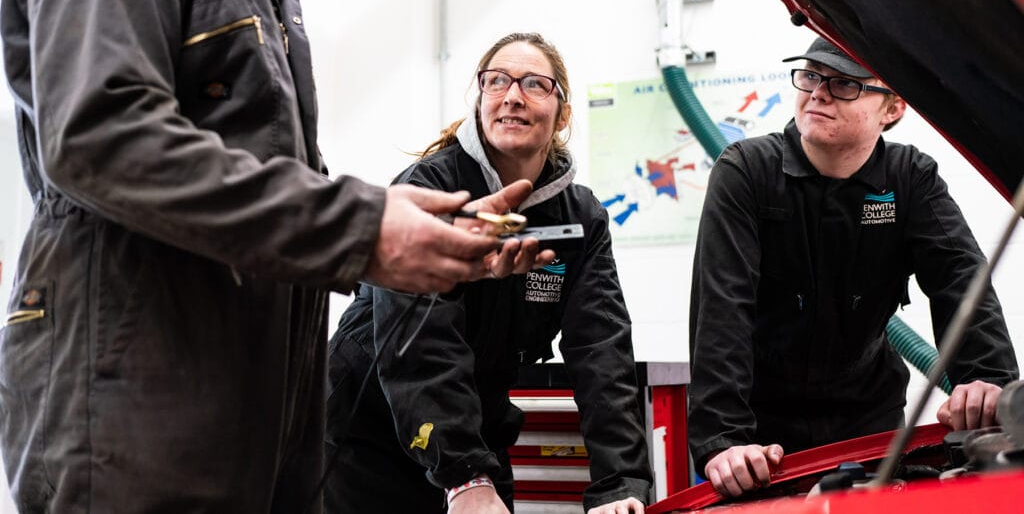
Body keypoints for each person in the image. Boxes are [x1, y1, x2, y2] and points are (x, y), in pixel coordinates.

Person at [0, 0, 550, 511]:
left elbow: (256, 197)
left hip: (251, 435)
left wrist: (407, 236)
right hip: (134, 432)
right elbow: (99, 135)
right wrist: (361, 228)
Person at [323, 32, 652, 513]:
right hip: (368, 438)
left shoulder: (581, 218)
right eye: (497, 81)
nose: (513, 96)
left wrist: (619, 484)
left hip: (475, 436)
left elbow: (602, 351)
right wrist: (465, 477)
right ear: (480, 100)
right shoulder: (432, 190)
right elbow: (421, 341)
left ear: (561, 114)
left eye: (535, 84)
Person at [688, 37, 1019, 498]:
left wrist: (989, 380)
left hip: (867, 419)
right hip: (760, 434)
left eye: (844, 84)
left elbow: (961, 279)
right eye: (810, 76)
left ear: (893, 109)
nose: (818, 93)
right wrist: (723, 439)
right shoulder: (747, 172)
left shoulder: (910, 178)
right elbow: (722, 308)